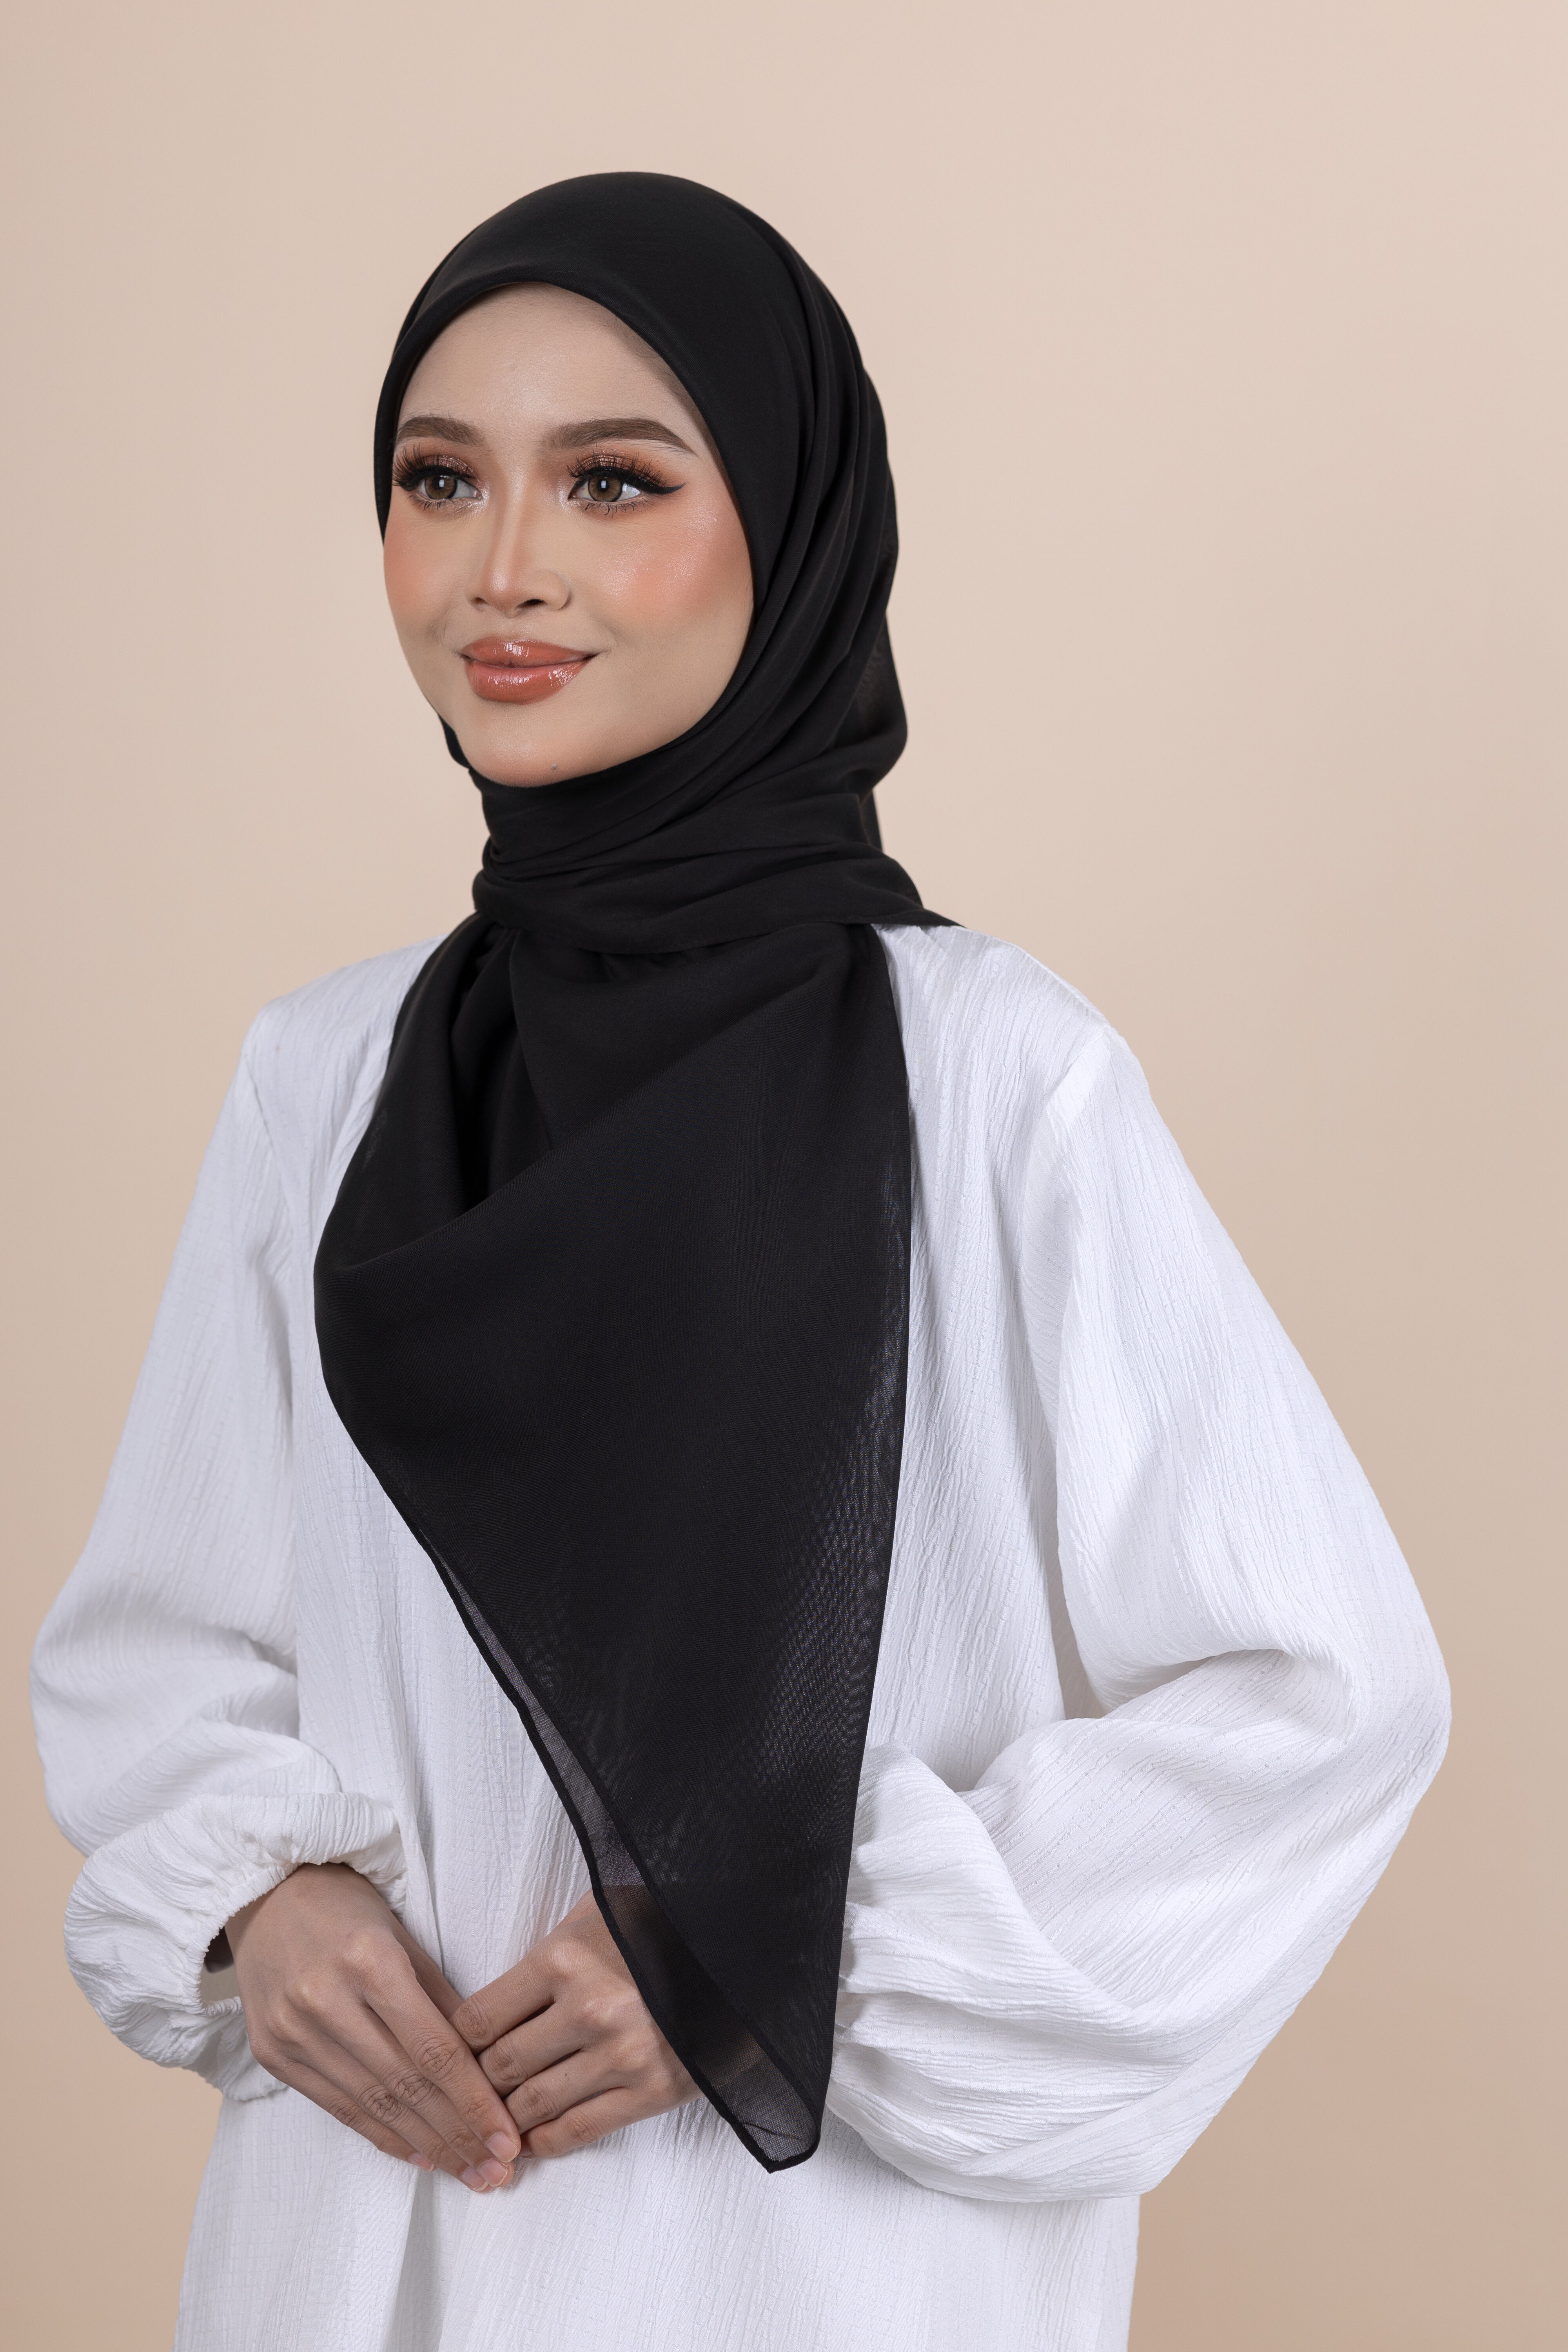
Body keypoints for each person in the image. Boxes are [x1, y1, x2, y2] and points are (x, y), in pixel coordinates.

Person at [31, 173, 1448, 2352]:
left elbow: (1314, 1691)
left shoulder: (990, 1079)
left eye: (613, 481)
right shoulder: (323, 1083)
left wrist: (779, 1949)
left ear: (788, 531)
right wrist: (262, 1900)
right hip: (358, 2255)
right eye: (439, 480)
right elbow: (164, 1641)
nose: (503, 569)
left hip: (815, 2262)